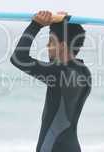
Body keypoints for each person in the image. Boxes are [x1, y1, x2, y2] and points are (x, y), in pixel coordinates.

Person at [10, 10, 92, 152]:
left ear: (63, 46)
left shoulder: (58, 74)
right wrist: (59, 23)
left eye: (51, 41)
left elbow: (18, 58)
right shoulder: (84, 72)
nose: (47, 46)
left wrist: (36, 25)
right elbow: (55, 64)